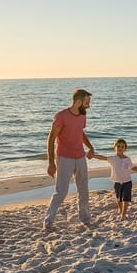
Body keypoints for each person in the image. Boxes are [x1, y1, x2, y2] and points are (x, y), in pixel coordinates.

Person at [44, 89, 94, 228]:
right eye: (86, 103)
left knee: (83, 189)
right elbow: (51, 139)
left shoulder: (83, 116)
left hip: (80, 157)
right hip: (64, 158)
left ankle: (85, 219)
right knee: (61, 192)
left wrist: (90, 147)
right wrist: (51, 163)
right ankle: (48, 222)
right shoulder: (61, 116)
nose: (88, 106)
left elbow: (80, 133)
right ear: (78, 102)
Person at [93, 139, 137, 220]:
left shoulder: (128, 159)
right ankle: (120, 210)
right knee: (119, 199)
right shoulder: (113, 158)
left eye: (122, 146)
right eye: (118, 146)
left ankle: (123, 214)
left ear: (125, 148)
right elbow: (102, 158)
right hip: (117, 182)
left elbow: (133, 167)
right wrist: (93, 155)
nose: (120, 148)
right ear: (114, 148)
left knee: (126, 199)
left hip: (127, 181)